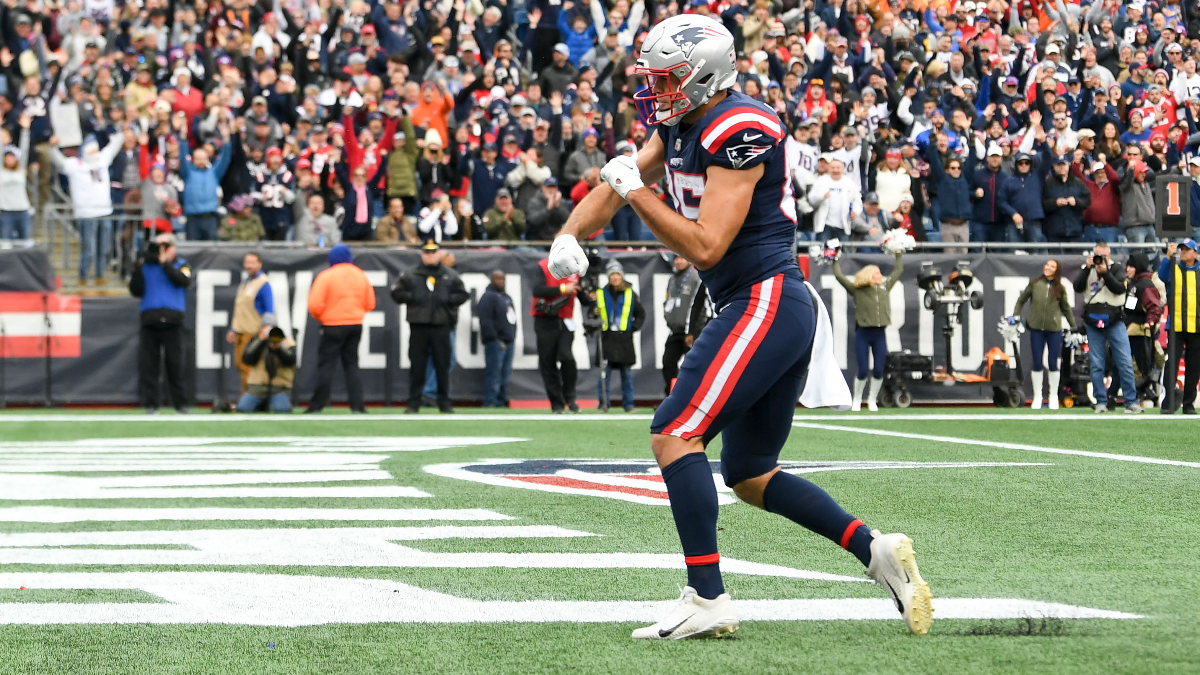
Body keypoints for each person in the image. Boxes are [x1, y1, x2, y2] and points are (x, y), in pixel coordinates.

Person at [548, 15, 930, 640]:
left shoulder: (741, 127)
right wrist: (567, 234)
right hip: (760, 303)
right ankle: (875, 551)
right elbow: (617, 183)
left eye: (668, 78)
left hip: (765, 299)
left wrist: (635, 193)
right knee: (750, 474)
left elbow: (705, 245)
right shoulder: (680, 122)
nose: (657, 91)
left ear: (705, 74)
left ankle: (707, 598)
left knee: (674, 432)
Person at [390, 240, 468, 413]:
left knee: (443, 365)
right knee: (417, 366)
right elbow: (396, 292)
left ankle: (444, 401)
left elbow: (463, 294)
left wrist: (448, 301)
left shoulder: (450, 275)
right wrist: (412, 298)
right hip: (419, 326)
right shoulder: (411, 274)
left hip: (442, 325)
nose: (431, 255)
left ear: (439, 254)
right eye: (427, 252)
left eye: (434, 252)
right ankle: (414, 402)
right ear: (422, 254)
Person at [306, 244, 377, 414]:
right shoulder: (360, 275)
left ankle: (317, 406)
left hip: (331, 325)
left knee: (326, 366)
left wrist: (322, 317)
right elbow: (370, 303)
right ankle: (357, 406)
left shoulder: (327, 276)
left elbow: (314, 305)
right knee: (351, 365)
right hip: (355, 324)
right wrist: (356, 313)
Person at [1074, 242, 1140, 414]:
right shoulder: (1087, 268)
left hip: (1115, 318)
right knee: (1096, 363)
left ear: (1109, 256)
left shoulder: (1117, 269)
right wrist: (1087, 269)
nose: (1100, 259)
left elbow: (1119, 289)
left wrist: (1105, 273)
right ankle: (1100, 401)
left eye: (1103, 256)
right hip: (1093, 319)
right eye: (1097, 255)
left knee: (1124, 361)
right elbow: (1077, 287)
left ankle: (1130, 401)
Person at [833, 249, 903, 411]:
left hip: (879, 334)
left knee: (879, 369)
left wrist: (898, 254)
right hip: (863, 334)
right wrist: (835, 259)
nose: (880, 276)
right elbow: (839, 277)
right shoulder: (858, 290)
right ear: (870, 275)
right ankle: (857, 398)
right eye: (877, 273)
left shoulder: (885, 288)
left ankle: (872, 399)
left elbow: (898, 270)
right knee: (863, 369)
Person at [128, 233, 192, 413]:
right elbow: (136, 290)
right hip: (150, 321)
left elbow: (184, 281)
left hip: (173, 322)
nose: (161, 249)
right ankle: (150, 404)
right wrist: (137, 268)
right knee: (149, 366)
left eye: (166, 245)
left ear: (173, 248)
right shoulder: (146, 266)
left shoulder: (181, 264)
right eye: (158, 246)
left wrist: (165, 263)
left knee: (176, 365)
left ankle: (181, 404)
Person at [52, 133, 123, 286]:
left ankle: (100, 275)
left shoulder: (102, 159)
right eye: (92, 150)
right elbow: (58, 161)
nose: (95, 153)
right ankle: (83, 277)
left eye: (96, 150)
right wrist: (53, 147)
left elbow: (115, 145)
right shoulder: (75, 165)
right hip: (86, 214)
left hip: (105, 212)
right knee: (89, 250)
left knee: (104, 248)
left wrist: (121, 131)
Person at [1012, 260, 1076, 410]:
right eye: (1047, 265)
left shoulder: (1060, 288)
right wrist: (1016, 315)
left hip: (1054, 330)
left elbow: (1066, 308)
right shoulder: (1035, 284)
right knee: (1037, 362)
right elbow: (1021, 300)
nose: (1048, 268)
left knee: (1053, 362)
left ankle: (1053, 396)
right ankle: (1038, 396)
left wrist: (1073, 326)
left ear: (1057, 270)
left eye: (1052, 266)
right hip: (1036, 329)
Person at [592, 260, 645, 412]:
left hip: (624, 338)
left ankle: (628, 404)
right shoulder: (601, 293)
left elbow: (640, 314)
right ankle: (603, 404)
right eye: (612, 275)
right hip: (606, 338)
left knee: (626, 374)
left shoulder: (630, 293)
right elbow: (592, 312)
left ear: (621, 276)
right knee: (604, 373)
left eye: (617, 274)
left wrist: (632, 328)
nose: (615, 278)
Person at [531, 256, 580, 413]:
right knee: (548, 361)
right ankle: (556, 403)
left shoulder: (576, 268)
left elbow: (581, 292)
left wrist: (590, 298)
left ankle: (570, 397)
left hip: (566, 319)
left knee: (567, 357)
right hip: (545, 319)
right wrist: (563, 289)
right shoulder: (543, 266)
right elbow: (537, 290)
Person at [225, 252, 276, 396]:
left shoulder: (263, 284)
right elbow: (240, 310)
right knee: (241, 366)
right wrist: (233, 329)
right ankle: (245, 396)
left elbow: (269, 309)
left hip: (252, 333)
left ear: (260, 264)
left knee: (249, 368)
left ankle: (249, 399)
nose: (248, 265)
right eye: (247, 262)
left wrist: (266, 328)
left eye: (252, 262)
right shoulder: (246, 282)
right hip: (241, 332)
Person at [1159, 240, 1200, 414]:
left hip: (1197, 327)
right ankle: (1168, 403)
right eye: (1182, 249)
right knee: (1171, 366)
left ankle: (1188, 404)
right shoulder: (1174, 267)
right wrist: (1168, 257)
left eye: (1187, 250)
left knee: (1194, 367)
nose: (1183, 252)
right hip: (1176, 326)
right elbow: (1162, 275)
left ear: (1195, 254)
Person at [661, 253, 709, 396]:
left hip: (691, 331)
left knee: (693, 365)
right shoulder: (672, 278)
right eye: (676, 259)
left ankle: (692, 396)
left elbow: (697, 307)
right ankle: (670, 396)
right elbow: (668, 301)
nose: (679, 261)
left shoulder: (695, 277)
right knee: (668, 362)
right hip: (675, 330)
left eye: (682, 258)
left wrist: (693, 331)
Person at [180, 129, 235, 241]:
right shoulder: (188, 173)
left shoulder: (214, 172)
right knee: (193, 249)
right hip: (192, 218)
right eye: (198, 158)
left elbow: (225, 159)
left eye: (203, 158)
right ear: (193, 160)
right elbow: (182, 157)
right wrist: (182, 139)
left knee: (212, 249)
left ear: (208, 159)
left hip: (210, 217)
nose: (201, 161)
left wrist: (226, 141)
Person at [1123, 253, 1162, 408]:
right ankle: (1147, 395)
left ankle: (1148, 395)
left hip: (1140, 330)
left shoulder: (1144, 284)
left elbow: (1154, 306)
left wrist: (1150, 322)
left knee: (1143, 366)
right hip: (1132, 328)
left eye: (1131, 266)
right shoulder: (1135, 284)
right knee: (1138, 366)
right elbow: (1130, 308)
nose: (1128, 269)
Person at [477, 269, 516, 408]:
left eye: (502, 279)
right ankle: (490, 401)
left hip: (508, 341)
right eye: (497, 279)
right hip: (496, 342)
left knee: (504, 374)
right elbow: (485, 320)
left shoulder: (506, 297)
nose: (501, 282)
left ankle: (500, 400)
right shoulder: (488, 297)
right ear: (491, 280)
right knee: (494, 373)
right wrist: (495, 338)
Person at [236, 326, 297, 413]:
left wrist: (279, 349)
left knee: (282, 410)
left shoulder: (287, 342)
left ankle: (277, 402)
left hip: (279, 387)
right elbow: (247, 359)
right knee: (243, 408)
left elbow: (291, 360)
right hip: (257, 387)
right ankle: (261, 404)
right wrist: (260, 341)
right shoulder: (256, 340)